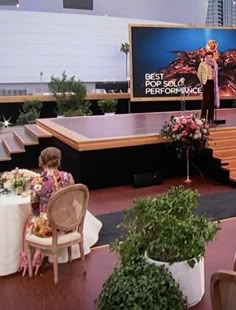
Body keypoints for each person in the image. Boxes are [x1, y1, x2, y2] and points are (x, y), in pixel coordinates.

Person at [19, 147, 102, 276]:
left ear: (41, 161)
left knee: (29, 220)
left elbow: (35, 208)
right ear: (58, 161)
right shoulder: (68, 177)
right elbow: (73, 199)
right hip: (69, 222)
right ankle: (39, 252)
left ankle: (28, 257)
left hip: (50, 227)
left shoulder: (38, 181)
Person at [197, 51, 219, 124]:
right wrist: (203, 82)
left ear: (212, 57)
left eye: (210, 57)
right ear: (205, 57)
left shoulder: (214, 64)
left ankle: (210, 118)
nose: (209, 58)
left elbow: (215, 74)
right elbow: (198, 74)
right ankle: (203, 117)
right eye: (207, 57)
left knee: (212, 101)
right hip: (206, 83)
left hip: (212, 82)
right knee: (205, 100)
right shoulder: (202, 64)